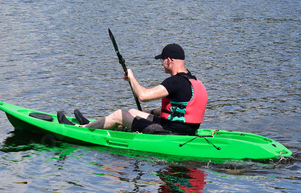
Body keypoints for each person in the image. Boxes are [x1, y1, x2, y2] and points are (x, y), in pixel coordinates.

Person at [58, 43, 208, 135]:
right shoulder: (192, 80)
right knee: (133, 112)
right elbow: (180, 109)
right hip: (184, 129)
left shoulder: (175, 82)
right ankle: (96, 125)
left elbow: (142, 95)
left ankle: (81, 129)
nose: (161, 63)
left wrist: (132, 77)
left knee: (120, 114)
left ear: (169, 60)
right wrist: (148, 113)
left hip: (169, 133)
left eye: (162, 60)